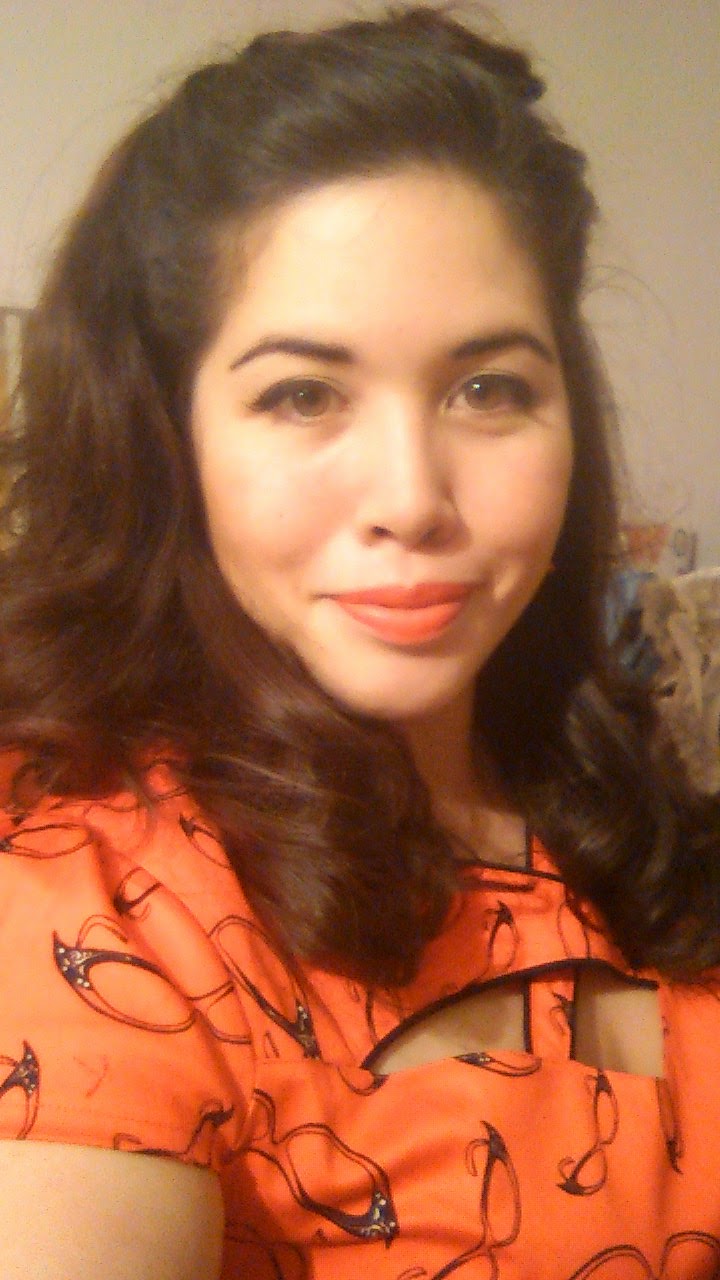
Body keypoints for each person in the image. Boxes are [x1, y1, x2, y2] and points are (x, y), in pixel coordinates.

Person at [1, 6, 719, 1277]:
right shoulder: (96, 899)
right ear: (173, 441)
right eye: (302, 394)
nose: (412, 496)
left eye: (487, 387)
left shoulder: (620, 802)